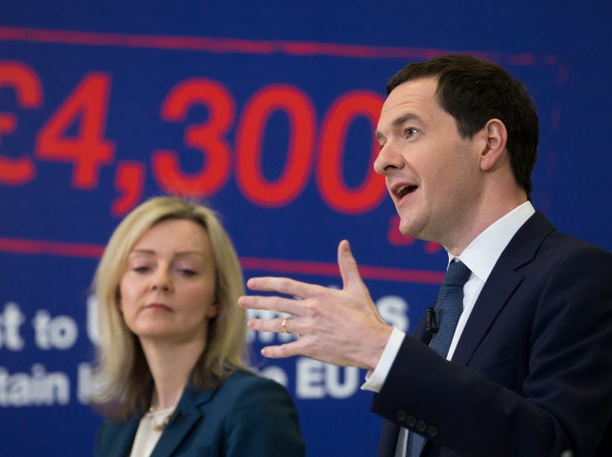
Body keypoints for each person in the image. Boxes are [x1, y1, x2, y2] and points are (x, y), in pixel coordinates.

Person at [239, 55, 612, 456]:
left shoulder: (580, 278)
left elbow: (555, 445)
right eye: (382, 142)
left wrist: (383, 352)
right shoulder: (442, 313)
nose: (382, 162)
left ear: (488, 144)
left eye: (410, 132)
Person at [90, 195, 305, 457]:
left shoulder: (251, 404)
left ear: (216, 300)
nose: (160, 282)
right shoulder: (116, 428)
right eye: (142, 267)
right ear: (118, 295)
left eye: (186, 270)